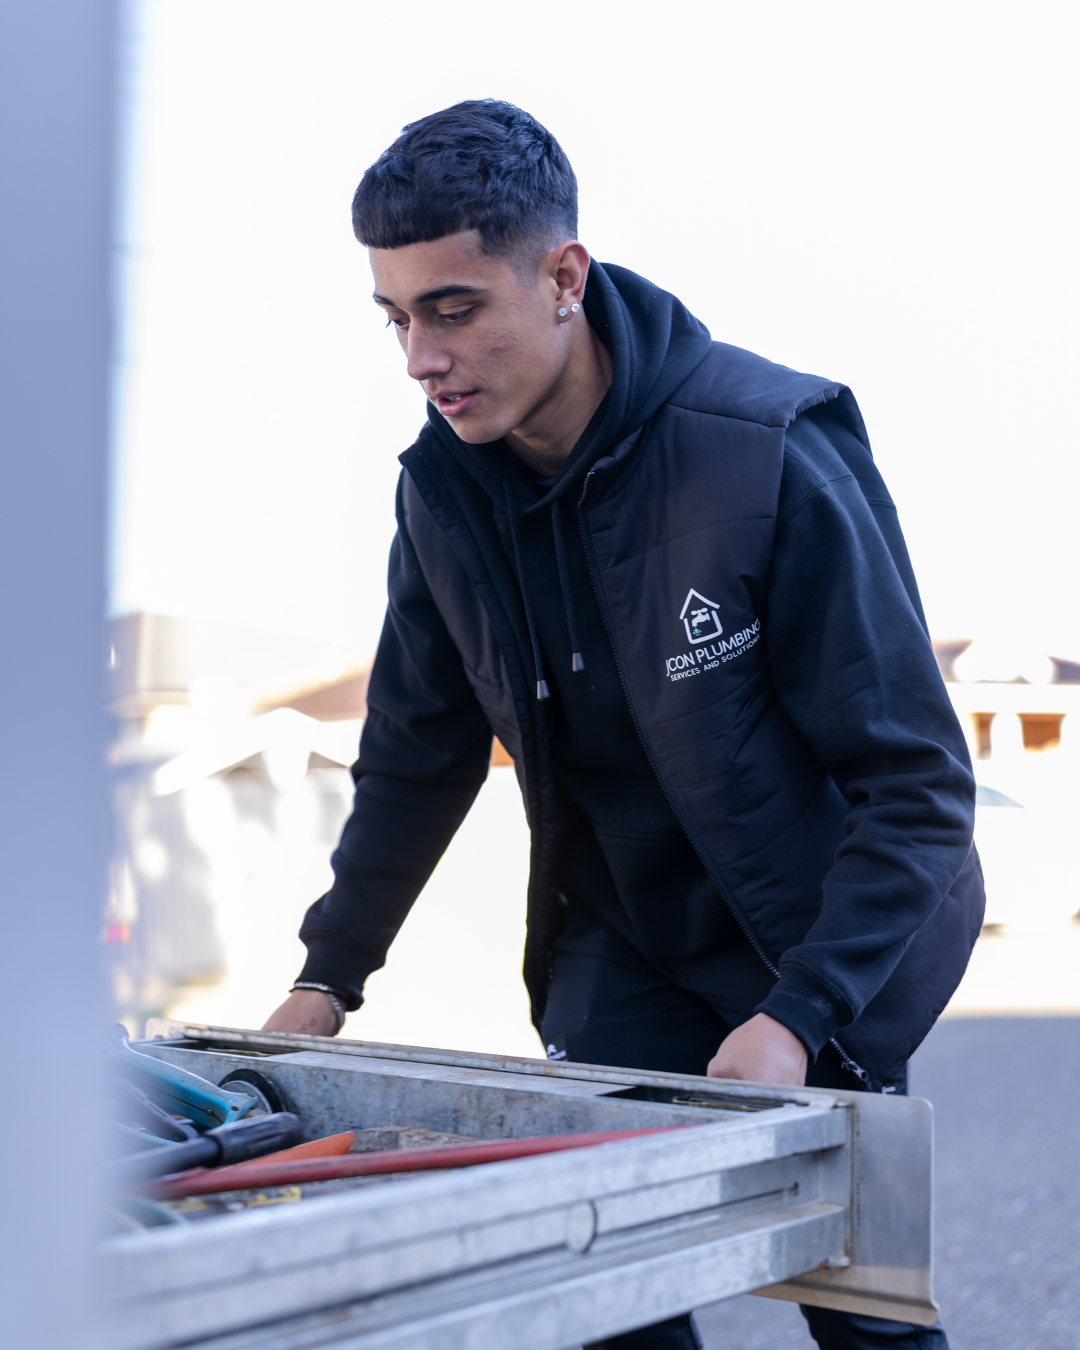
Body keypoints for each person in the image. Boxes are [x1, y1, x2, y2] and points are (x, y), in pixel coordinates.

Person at [264, 100, 983, 1350]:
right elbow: (414, 757)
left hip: (817, 940)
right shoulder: (440, 492)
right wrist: (329, 974)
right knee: (599, 1300)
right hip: (617, 942)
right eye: (396, 318)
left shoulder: (763, 452)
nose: (422, 359)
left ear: (562, 277)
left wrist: (803, 1015)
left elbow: (915, 784)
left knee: (861, 1315)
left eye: (453, 309)